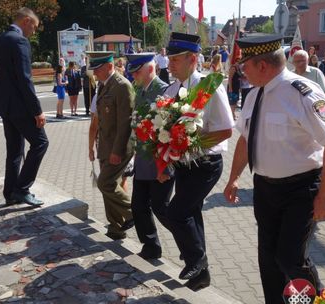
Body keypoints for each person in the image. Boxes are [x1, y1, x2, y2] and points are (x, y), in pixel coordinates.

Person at [223, 35, 325, 304]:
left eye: (246, 67)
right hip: (265, 189)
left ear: (263, 65)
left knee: (291, 258)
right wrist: (233, 178)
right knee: (268, 258)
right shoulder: (254, 95)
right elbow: (245, 139)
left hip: (300, 190)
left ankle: (316, 301)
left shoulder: (302, 92)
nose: (243, 72)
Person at [164, 32, 234, 292]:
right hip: (184, 164)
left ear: (193, 59)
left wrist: (192, 145)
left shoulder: (209, 86)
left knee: (176, 212)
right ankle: (201, 274)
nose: (169, 64)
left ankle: (195, 258)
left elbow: (226, 130)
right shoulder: (172, 89)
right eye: (169, 58)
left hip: (206, 163)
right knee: (191, 213)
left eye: (175, 59)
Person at [0, 7, 48, 207]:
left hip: (6, 107)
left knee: (15, 150)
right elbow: (25, 79)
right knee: (41, 143)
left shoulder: (0, 39)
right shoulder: (19, 41)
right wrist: (37, 111)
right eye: (34, 26)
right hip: (21, 107)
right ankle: (22, 188)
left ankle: (10, 192)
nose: (33, 31)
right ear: (25, 21)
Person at [126, 53, 173, 260]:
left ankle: (188, 240)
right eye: (132, 72)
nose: (134, 75)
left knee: (162, 209)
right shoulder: (138, 89)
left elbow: (169, 131)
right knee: (138, 206)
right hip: (143, 161)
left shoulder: (163, 90)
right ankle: (151, 246)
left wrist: (165, 167)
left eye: (137, 71)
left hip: (159, 162)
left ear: (150, 69)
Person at [86, 51, 134, 241]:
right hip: (105, 145)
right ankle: (116, 227)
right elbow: (98, 120)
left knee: (104, 182)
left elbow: (126, 123)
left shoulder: (122, 86)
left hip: (118, 147)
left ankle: (134, 212)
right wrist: (94, 146)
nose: (95, 73)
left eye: (97, 69)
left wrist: (117, 151)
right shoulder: (104, 86)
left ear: (109, 66)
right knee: (109, 188)